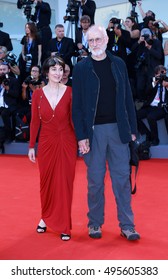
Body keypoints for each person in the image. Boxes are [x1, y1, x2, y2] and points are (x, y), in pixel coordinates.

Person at [72, 25, 140, 241]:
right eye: (90, 40)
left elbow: (128, 98)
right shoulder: (81, 68)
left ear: (106, 40)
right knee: (95, 180)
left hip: (119, 130)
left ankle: (127, 225)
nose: (94, 44)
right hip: (93, 134)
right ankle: (94, 223)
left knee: (122, 178)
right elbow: (78, 107)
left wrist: (132, 130)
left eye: (98, 39)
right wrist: (81, 136)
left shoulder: (118, 64)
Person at [28, 56, 77, 241]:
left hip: (66, 141)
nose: (58, 73)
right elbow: (34, 122)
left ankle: (64, 224)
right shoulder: (38, 94)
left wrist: (83, 139)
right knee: (46, 183)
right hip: (47, 142)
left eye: (61, 69)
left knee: (64, 183)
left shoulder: (71, 92)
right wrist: (32, 145)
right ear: (46, 72)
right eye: (54, 69)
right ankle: (45, 217)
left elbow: (75, 120)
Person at [137, 65, 168, 146]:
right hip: (150, 106)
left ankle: (155, 140)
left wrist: (167, 86)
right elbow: (146, 93)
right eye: (160, 74)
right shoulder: (152, 81)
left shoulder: (167, 81)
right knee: (135, 115)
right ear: (155, 74)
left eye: (164, 74)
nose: (162, 76)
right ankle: (148, 134)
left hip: (161, 107)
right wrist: (154, 82)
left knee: (151, 117)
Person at [0, 62, 20, 143]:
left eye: (4, 69)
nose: (2, 71)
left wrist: (8, 89)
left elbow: (16, 95)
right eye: (0, 70)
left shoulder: (14, 80)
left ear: (8, 70)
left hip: (9, 105)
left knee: (5, 113)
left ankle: (9, 136)